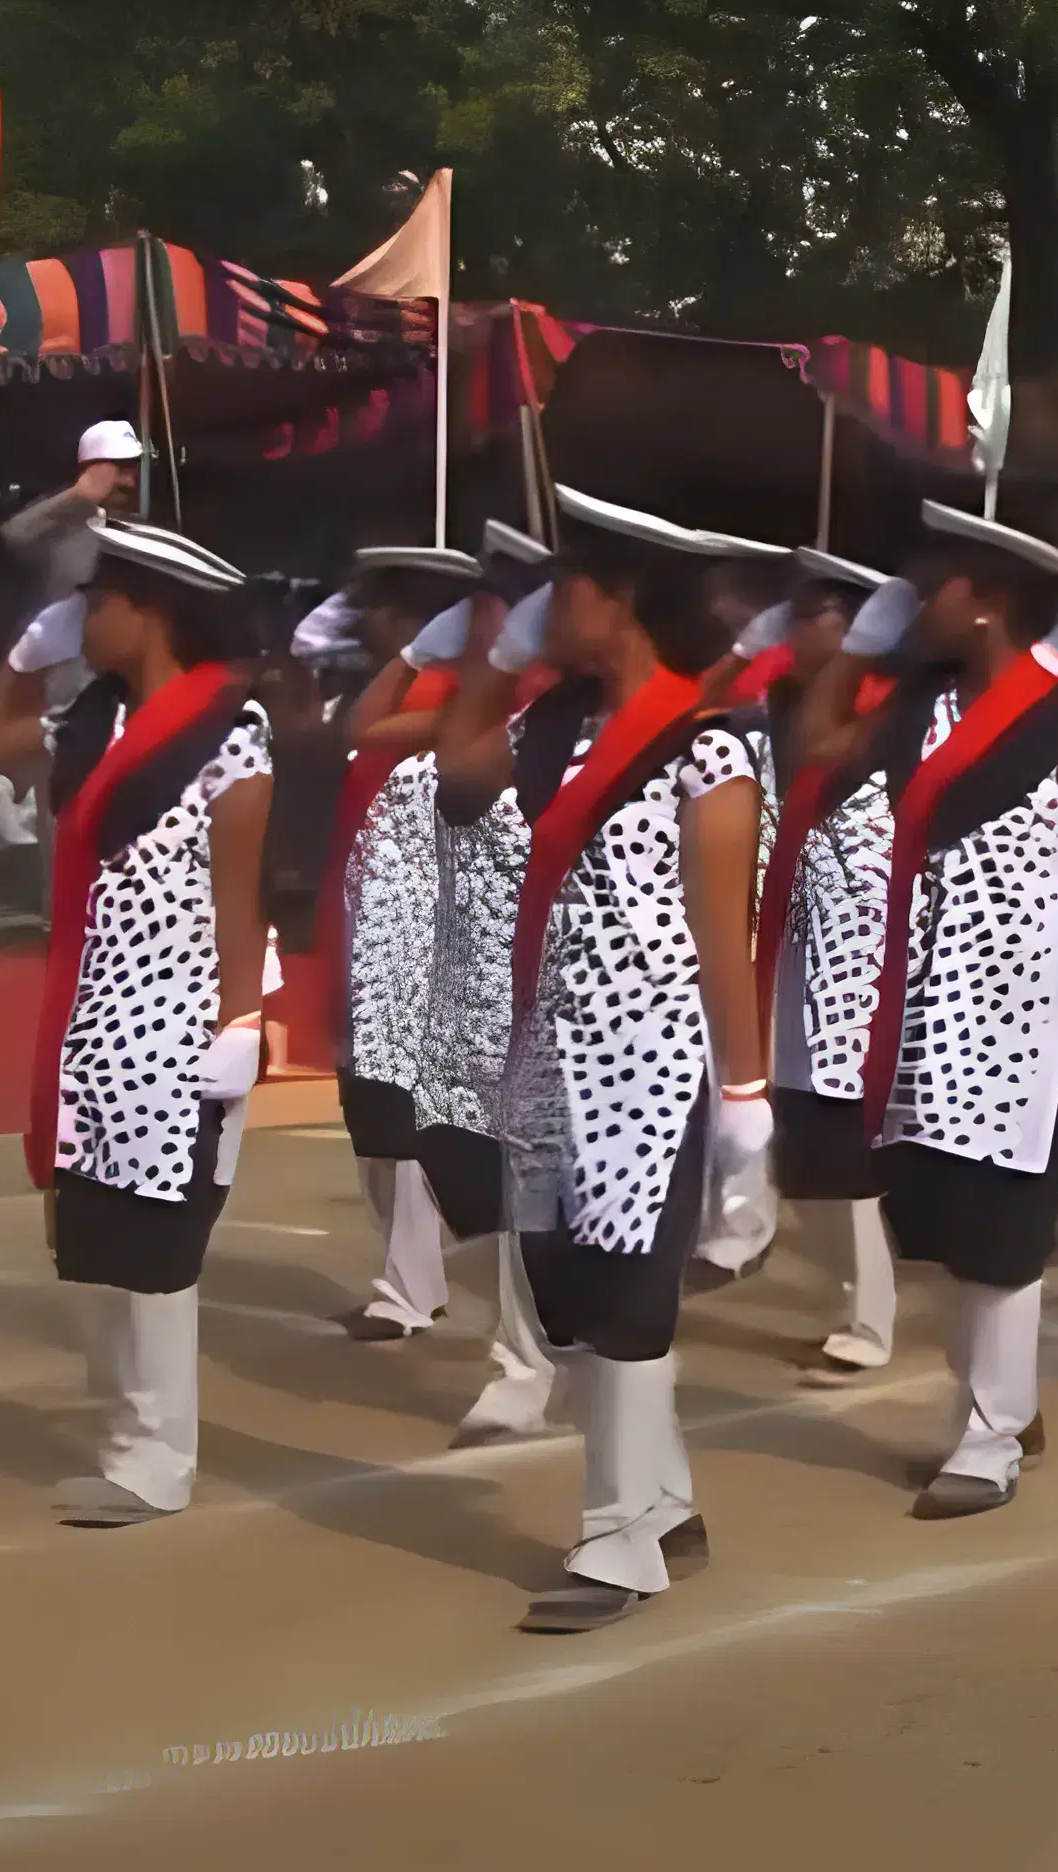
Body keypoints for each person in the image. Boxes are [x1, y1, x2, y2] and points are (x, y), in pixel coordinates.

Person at [432, 487, 772, 1630]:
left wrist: (746, 1093)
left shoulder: (707, 750)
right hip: (551, 1054)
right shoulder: (556, 727)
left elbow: (725, 935)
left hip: (653, 1062)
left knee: (627, 1294)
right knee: (569, 1291)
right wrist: (499, 653)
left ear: (617, 601)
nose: (547, 607)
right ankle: (666, 1504)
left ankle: (618, 1542)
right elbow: (459, 775)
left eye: (561, 591)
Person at [0, 518, 278, 1526]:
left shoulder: (232, 732)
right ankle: (125, 1441)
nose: (85, 618)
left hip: (179, 1017)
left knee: (155, 1246)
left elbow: (240, 894)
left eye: (99, 602)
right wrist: (25, 654)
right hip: (95, 1014)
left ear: (153, 613)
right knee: (92, 1239)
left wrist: (241, 1021)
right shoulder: (89, 724)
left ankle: (158, 1458)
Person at [851, 504, 1058, 1513]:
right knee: (930, 1219)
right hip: (918, 1006)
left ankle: (990, 1432)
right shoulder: (903, 710)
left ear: (986, 603)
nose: (916, 601)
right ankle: (1002, 1397)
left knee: (999, 1229)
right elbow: (812, 752)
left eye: (935, 584)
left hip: (1021, 1019)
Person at [408, 524, 574, 1441]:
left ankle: (530, 1364)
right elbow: (444, 769)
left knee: (545, 1190)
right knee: (476, 1178)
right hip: (471, 991)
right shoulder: (498, 721)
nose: (480, 629)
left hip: (566, 1002)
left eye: (499, 611)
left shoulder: (568, 729)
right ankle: (530, 1352)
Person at [319, 546, 485, 1340]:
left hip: (427, 938)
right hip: (370, 926)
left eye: (385, 613)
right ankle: (407, 1277)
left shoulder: (467, 695)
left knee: (413, 1117)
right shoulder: (423, 683)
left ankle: (412, 1286)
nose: (371, 627)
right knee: (375, 1115)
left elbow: (366, 725)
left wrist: (420, 657)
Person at [761, 547, 914, 1385]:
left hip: (863, 948)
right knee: (809, 1133)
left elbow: (828, 752)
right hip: (803, 934)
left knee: (847, 1130)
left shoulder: (889, 706)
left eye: (808, 616)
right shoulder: (783, 698)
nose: (789, 632)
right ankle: (850, 1302)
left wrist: (845, 658)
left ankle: (870, 1315)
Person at [0, 418, 150, 604]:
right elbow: (10, 539)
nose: (131, 480)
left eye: (135, 465)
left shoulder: (140, 530)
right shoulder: (59, 523)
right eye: (121, 467)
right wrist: (79, 496)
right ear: (91, 469)